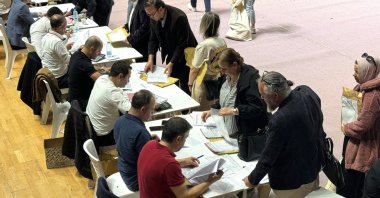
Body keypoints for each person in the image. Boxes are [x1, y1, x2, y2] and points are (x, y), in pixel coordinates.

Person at [242, 71, 325, 197]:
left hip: (290, 184)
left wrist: (252, 179)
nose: (262, 99)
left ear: (275, 95)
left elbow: (268, 157)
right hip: (313, 170)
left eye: (263, 95)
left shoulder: (279, 120)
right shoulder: (306, 92)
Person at [138, 117, 224, 198]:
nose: (185, 141)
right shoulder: (170, 165)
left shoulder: (149, 144)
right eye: (185, 137)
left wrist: (183, 162)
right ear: (178, 139)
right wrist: (210, 181)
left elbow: (158, 166)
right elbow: (185, 196)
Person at [337, 53, 380, 198]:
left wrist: (346, 127)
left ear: (367, 72)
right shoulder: (363, 88)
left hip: (363, 149)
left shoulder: (372, 95)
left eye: (357, 71)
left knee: (352, 186)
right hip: (358, 142)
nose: (354, 74)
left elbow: (363, 125)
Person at [201, 48, 268, 137]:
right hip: (228, 131)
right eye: (220, 68)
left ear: (235, 65)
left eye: (224, 69)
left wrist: (235, 111)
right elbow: (227, 99)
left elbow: (256, 108)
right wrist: (213, 110)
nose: (222, 72)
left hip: (245, 133)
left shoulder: (250, 80)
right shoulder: (226, 76)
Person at [144, 0, 198, 95]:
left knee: (185, 86)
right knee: (171, 84)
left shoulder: (179, 17)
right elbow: (153, 39)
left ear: (160, 10)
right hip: (171, 50)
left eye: (151, 14)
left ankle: (186, 109)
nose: (150, 17)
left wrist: (172, 62)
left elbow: (182, 44)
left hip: (186, 54)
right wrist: (150, 59)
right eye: (148, 15)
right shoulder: (153, 16)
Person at [114, 89, 158, 192]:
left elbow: (128, 144)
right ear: (143, 109)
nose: (151, 115)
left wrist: (149, 140)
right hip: (136, 180)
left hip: (124, 169)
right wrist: (182, 162)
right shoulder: (140, 133)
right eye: (151, 111)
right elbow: (154, 164)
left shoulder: (119, 120)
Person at [86, 61, 132, 147]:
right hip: (105, 136)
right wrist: (151, 103)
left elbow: (118, 92)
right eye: (128, 78)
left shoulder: (102, 78)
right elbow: (132, 111)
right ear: (120, 76)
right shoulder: (112, 92)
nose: (128, 81)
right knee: (136, 129)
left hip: (94, 128)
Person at [188, 12, 227, 111]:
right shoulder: (222, 42)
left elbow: (194, 69)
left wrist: (190, 83)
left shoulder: (203, 46)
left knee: (200, 113)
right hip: (216, 81)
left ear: (204, 25)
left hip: (203, 84)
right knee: (214, 111)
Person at [68, 36, 103, 111]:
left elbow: (88, 68)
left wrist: (102, 68)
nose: (100, 54)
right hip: (81, 103)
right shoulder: (84, 64)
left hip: (74, 97)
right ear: (92, 49)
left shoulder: (77, 54)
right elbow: (102, 81)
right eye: (99, 51)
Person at [40, 14, 73, 88]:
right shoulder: (57, 42)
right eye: (65, 27)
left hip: (48, 73)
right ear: (61, 27)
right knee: (84, 77)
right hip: (59, 78)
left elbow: (53, 52)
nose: (65, 29)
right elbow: (69, 61)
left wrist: (65, 48)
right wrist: (80, 53)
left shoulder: (45, 37)